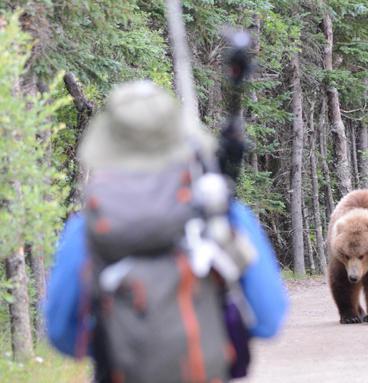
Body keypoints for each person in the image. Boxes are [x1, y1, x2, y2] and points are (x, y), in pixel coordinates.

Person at [44, 80, 288, 380]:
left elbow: (62, 335)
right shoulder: (222, 215)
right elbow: (268, 320)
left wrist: (124, 345)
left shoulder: (86, 230)